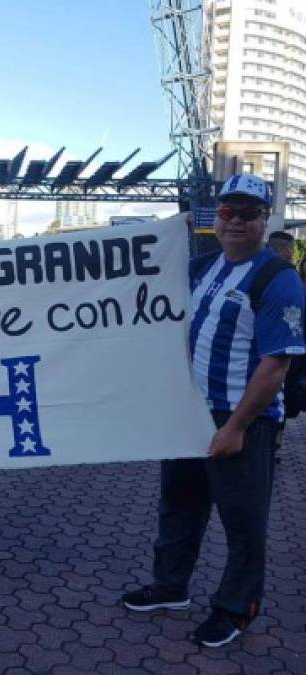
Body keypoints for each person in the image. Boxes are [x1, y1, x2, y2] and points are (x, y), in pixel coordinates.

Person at [122, 175, 305, 647]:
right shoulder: (203, 268)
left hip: (241, 418)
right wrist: (168, 230)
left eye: (249, 213)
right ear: (216, 218)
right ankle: (170, 586)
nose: (237, 222)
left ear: (266, 220)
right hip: (190, 411)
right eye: (228, 212)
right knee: (179, 505)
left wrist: (238, 426)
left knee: (242, 522)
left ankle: (236, 608)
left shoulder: (278, 279)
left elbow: (275, 365)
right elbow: (139, 277)